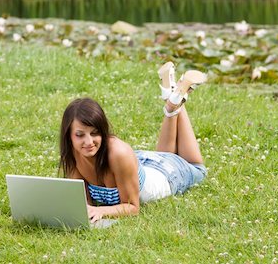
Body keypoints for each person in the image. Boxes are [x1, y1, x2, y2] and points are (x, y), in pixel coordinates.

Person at [59, 62, 208, 223]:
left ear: (103, 131)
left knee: (198, 169)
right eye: (80, 135)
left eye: (95, 133)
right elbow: (85, 205)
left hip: (166, 175)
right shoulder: (74, 153)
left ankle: (177, 99)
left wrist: (101, 210)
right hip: (140, 163)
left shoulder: (118, 152)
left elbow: (132, 207)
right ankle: (172, 100)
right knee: (164, 155)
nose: (88, 142)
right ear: (69, 136)